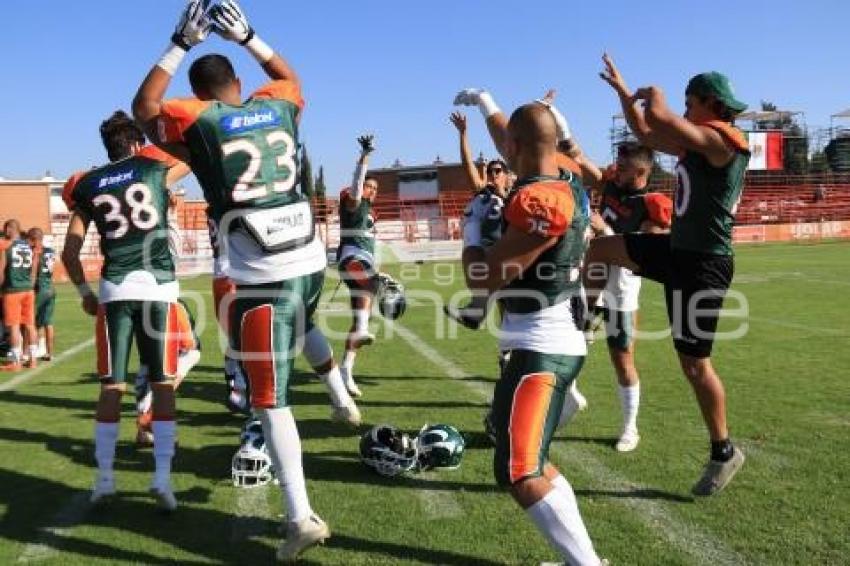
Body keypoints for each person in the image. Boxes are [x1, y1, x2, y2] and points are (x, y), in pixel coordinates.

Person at [132, 1, 357, 559]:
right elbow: (290, 78)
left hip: (259, 277)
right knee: (304, 325)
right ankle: (338, 396)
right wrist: (252, 37)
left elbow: (145, 109)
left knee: (269, 400)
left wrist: (178, 42)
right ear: (237, 80)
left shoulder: (198, 119)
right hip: (309, 260)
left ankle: (299, 514)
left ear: (200, 92)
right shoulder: (277, 106)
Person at [586, 53, 748, 495]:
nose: (684, 108)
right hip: (677, 251)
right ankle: (588, 315)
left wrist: (652, 93)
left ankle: (723, 450)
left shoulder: (725, 140)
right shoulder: (698, 141)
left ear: (709, 103)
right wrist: (624, 94)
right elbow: (644, 130)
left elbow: (657, 115)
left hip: (704, 265)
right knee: (599, 248)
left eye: (688, 101)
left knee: (695, 366)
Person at [453, 91, 603, 564]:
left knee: (519, 470)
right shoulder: (567, 177)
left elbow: (484, 277)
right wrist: (486, 104)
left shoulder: (543, 198)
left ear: (516, 147)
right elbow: (515, 137)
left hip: (541, 343)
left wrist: (474, 233)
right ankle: (583, 559)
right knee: (528, 458)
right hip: (545, 333)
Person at [61, 110, 190, 510]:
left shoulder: (88, 184)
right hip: (157, 287)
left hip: (114, 289)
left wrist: (84, 292)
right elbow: (192, 153)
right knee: (163, 384)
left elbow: (69, 251)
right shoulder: (153, 168)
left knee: (111, 386)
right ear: (136, 143)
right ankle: (163, 480)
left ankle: (103, 480)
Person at [576, 142, 673, 452]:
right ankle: (571, 396)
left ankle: (630, 427)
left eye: (624, 166)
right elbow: (578, 155)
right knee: (565, 346)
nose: (616, 169)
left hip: (621, 293)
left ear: (642, 171)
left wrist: (605, 233)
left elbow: (650, 251)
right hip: (588, 283)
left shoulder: (650, 204)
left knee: (622, 359)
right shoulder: (612, 187)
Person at [336, 135, 379, 398]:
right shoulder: (353, 204)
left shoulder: (369, 212)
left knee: (359, 318)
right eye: (368, 187)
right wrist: (365, 156)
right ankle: (363, 329)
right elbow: (356, 185)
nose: (371, 191)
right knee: (371, 285)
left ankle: (346, 370)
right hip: (351, 258)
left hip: (364, 260)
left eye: (375, 188)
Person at [0, 220, 40, 371]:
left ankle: (16, 362)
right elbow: (34, 271)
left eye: (5, 229)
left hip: (13, 290)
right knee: (30, 325)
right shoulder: (29, 246)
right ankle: (33, 360)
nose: (4, 233)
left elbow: (1, 271)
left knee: (14, 326)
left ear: (11, 229)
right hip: (28, 290)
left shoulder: (5, 245)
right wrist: (29, 285)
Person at [28, 228, 57, 362]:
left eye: (29, 239)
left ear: (34, 238)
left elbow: (34, 271)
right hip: (51, 286)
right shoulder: (50, 251)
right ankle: (49, 353)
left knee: (30, 321)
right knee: (48, 322)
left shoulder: (36, 251)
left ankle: (29, 352)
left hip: (40, 288)